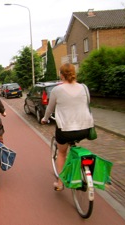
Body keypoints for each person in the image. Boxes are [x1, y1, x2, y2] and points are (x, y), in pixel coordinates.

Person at [41, 63, 94, 191]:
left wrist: (45, 119)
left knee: (62, 153)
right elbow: (87, 103)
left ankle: (60, 183)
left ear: (62, 74)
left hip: (65, 130)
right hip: (85, 128)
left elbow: (50, 108)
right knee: (74, 143)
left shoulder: (57, 90)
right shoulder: (84, 88)